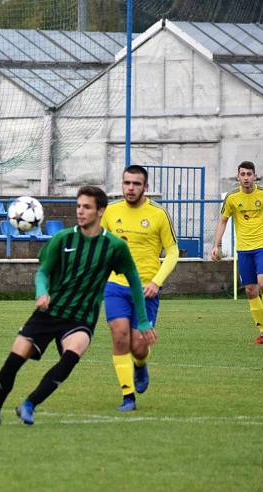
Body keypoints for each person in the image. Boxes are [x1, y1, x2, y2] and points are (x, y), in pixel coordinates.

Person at [0, 185, 154, 427]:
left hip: (81, 317)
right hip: (49, 312)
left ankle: (29, 405)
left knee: (71, 355)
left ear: (101, 211)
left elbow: (134, 280)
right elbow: (43, 272)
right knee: (14, 361)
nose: (80, 211)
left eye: (87, 207)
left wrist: (142, 320)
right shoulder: (62, 239)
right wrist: (42, 292)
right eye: (78, 206)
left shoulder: (114, 246)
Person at [101, 165, 179, 412]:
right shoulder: (111, 212)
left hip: (146, 290)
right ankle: (128, 397)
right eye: (127, 183)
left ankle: (140, 365)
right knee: (119, 336)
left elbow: (173, 251)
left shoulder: (158, 214)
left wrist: (157, 281)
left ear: (145, 187)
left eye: (136, 184)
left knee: (138, 345)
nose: (130, 188)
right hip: (116, 286)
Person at [211, 161, 263, 345]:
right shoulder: (232, 197)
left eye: (249, 174)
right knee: (251, 291)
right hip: (243, 249)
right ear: (238, 177)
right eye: (242, 174)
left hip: (262, 247)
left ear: (255, 176)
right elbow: (223, 221)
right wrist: (216, 245)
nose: (246, 178)